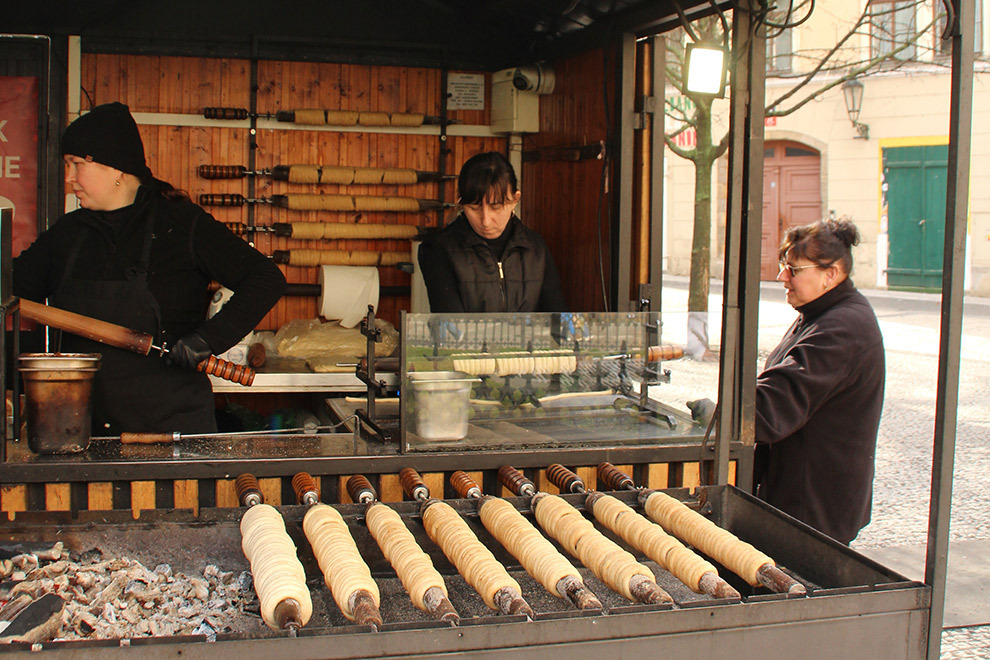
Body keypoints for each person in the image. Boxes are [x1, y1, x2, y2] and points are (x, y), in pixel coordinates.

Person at [13, 102, 286, 435]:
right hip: (82, 431)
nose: (68, 178)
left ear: (115, 168)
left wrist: (207, 339)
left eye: (75, 164)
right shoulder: (68, 234)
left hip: (169, 432)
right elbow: (11, 289)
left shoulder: (181, 225)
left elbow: (265, 278)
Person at [753, 218, 885, 545]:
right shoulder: (818, 315)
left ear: (831, 274)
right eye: (785, 266)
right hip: (798, 496)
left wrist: (719, 412)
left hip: (813, 507)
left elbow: (772, 407)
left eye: (794, 269)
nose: (782, 276)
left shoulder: (843, 327)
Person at [417, 151, 566, 313]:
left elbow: (556, 320)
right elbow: (451, 327)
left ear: (515, 200)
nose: (486, 221)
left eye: (496, 207)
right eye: (474, 208)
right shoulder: (439, 249)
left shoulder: (536, 249)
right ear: (460, 201)